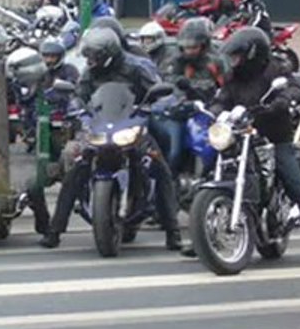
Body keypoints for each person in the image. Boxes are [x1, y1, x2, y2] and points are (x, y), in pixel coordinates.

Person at [203, 27, 300, 263]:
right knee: (210, 167)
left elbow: (293, 88)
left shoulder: (275, 69)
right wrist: (214, 111)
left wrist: (282, 101)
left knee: (298, 185)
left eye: (238, 56)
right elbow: (221, 99)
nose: (234, 61)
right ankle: (204, 234)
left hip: (275, 138)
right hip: (242, 135)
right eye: (232, 56)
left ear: (253, 53)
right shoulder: (233, 77)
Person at [39, 27, 182, 250]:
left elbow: (159, 91)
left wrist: (156, 104)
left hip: (131, 126)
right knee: (76, 169)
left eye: (94, 56)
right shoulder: (89, 72)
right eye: (88, 56)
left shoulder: (136, 68)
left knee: (159, 166)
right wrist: (75, 107)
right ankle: (54, 231)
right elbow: (78, 95)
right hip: (99, 127)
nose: (89, 60)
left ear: (108, 54)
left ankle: (173, 231)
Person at [150, 17, 225, 175]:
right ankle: (167, 180)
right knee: (172, 150)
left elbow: (222, 86)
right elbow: (167, 79)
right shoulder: (176, 60)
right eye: (185, 47)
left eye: (193, 47)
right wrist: (179, 86)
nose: (189, 51)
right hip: (178, 110)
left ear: (204, 45)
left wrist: (195, 88)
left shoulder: (215, 61)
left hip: (205, 110)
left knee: (210, 144)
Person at [22, 38, 82, 235]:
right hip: (40, 131)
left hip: (65, 128)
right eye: (46, 55)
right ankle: (43, 222)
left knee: (71, 160)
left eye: (52, 56)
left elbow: (73, 93)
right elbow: (27, 98)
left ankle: (85, 200)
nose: (49, 60)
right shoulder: (36, 73)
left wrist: (56, 95)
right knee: (31, 181)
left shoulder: (69, 72)